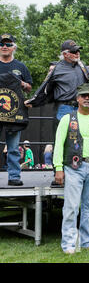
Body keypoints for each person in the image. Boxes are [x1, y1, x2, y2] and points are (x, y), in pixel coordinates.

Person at [53, 83, 89, 254]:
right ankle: (68, 244)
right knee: (71, 207)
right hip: (73, 167)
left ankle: (86, 242)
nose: (87, 98)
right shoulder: (67, 119)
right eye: (84, 96)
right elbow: (58, 145)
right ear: (77, 99)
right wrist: (58, 168)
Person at [26, 40, 89, 121]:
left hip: (81, 107)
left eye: (78, 50)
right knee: (63, 133)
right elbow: (45, 88)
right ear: (65, 54)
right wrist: (33, 102)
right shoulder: (57, 69)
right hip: (64, 108)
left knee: (80, 133)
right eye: (74, 51)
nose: (77, 53)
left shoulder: (82, 66)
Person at [0, 33, 33, 186]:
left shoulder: (21, 67)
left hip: (14, 114)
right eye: (2, 44)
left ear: (13, 47)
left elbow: (29, 88)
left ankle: (14, 176)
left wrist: (22, 84)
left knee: (13, 148)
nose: (4, 47)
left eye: (8, 44)